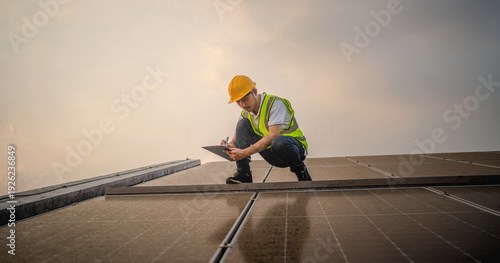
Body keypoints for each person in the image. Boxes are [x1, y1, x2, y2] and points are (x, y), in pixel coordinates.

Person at [221, 75, 312, 184]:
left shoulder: (275, 104)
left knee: (278, 142)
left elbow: (274, 135)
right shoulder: (246, 113)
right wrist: (229, 146)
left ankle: (301, 171)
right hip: (272, 153)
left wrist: (244, 152)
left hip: (294, 150)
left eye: (245, 99)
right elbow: (237, 137)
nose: (243, 105)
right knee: (242, 123)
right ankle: (244, 173)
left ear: (255, 92)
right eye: (238, 102)